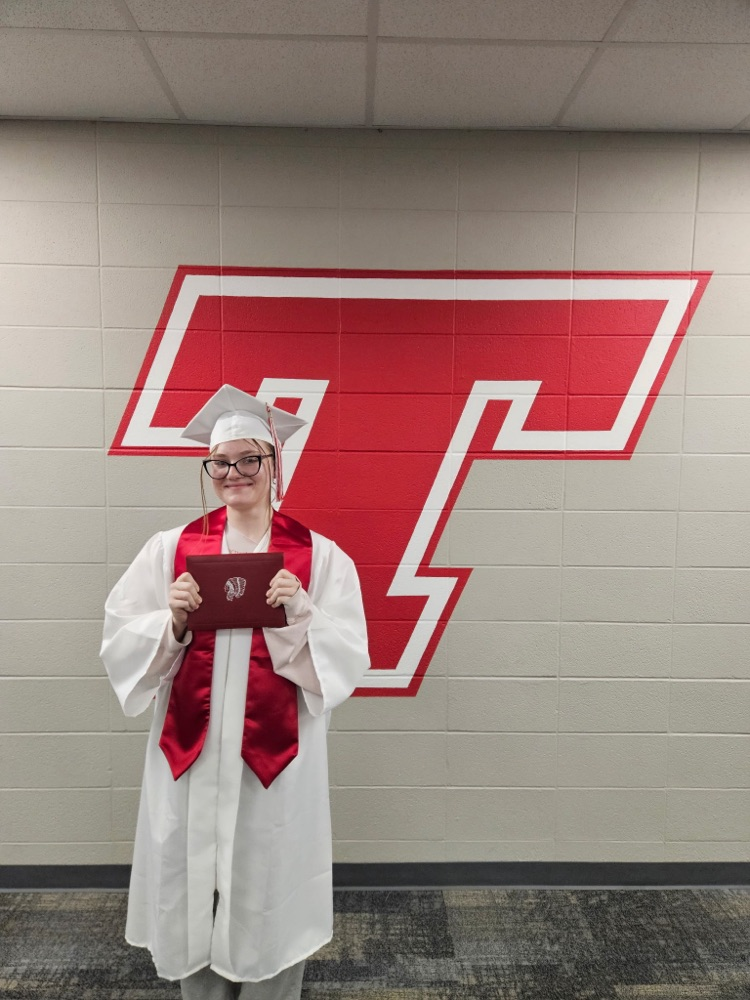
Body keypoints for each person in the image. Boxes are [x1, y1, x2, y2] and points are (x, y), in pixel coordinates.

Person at [101, 385, 370, 1000]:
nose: (234, 473)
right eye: (221, 462)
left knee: (268, 883)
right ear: (209, 469)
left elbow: (348, 659)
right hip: (190, 758)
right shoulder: (170, 550)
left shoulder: (322, 559)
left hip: (273, 763)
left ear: (274, 466)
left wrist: (301, 612)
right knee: (188, 883)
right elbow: (120, 637)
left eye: (250, 459)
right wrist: (169, 621)